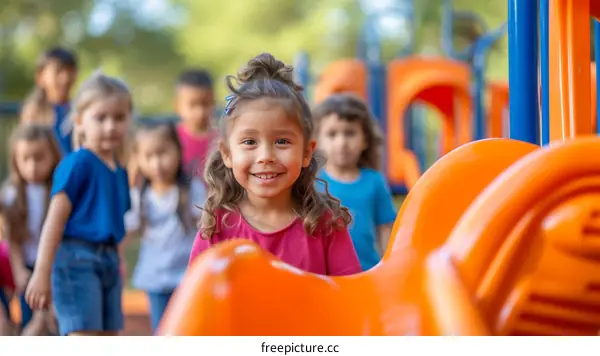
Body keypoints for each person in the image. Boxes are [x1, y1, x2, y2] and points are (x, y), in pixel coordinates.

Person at [188, 53, 361, 276]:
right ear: (228, 154)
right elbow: (197, 299)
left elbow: (350, 294)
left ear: (306, 152)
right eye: (250, 142)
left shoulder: (325, 224)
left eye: (282, 141)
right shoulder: (218, 226)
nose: (266, 156)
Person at [24, 71, 133, 336]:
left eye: (119, 118)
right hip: (76, 260)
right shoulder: (77, 163)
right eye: (100, 117)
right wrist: (41, 272)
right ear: (79, 121)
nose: (110, 126)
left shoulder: (119, 171)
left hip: (107, 262)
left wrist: (118, 260)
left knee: (109, 337)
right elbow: (54, 221)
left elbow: (114, 224)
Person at [124, 121, 206, 332]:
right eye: (148, 157)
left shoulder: (192, 189)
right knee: (162, 330)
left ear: (178, 151)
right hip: (155, 278)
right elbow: (126, 232)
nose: (157, 164)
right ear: (138, 160)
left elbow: (207, 228)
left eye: (163, 153)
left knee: (189, 329)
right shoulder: (138, 196)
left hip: (187, 276)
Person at [313, 93, 397, 271]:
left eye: (350, 133)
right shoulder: (312, 183)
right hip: (324, 276)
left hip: (365, 274)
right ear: (318, 141)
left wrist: (388, 269)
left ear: (365, 140)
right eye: (332, 134)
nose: (342, 142)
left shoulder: (374, 182)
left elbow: (385, 230)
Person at [1, 125, 62, 335]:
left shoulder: (58, 191)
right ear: (15, 161)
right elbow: (13, 239)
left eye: (39, 158)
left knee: (55, 322)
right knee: (30, 320)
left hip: (56, 267)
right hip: (27, 267)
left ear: (52, 157)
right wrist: (18, 270)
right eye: (25, 159)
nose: (32, 166)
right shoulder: (12, 194)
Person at [20, 47, 78, 156]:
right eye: (58, 71)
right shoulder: (34, 112)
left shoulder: (79, 109)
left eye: (70, 70)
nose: (65, 78)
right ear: (41, 76)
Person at [174, 69, 218, 182]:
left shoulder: (221, 139)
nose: (200, 112)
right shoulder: (172, 139)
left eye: (206, 104)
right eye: (192, 105)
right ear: (177, 105)